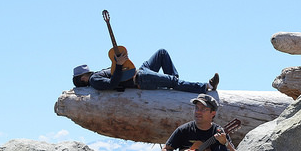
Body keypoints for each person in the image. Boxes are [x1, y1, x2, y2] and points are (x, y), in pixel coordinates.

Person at [72, 48, 219, 93]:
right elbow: (112, 83)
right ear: (83, 79)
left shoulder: (95, 76)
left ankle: (173, 83)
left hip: (140, 72)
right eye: (85, 73)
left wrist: (122, 64)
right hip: (140, 79)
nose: (88, 73)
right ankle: (207, 86)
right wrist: (118, 65)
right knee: (173, 81)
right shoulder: (94, 80)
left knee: (162, 53)